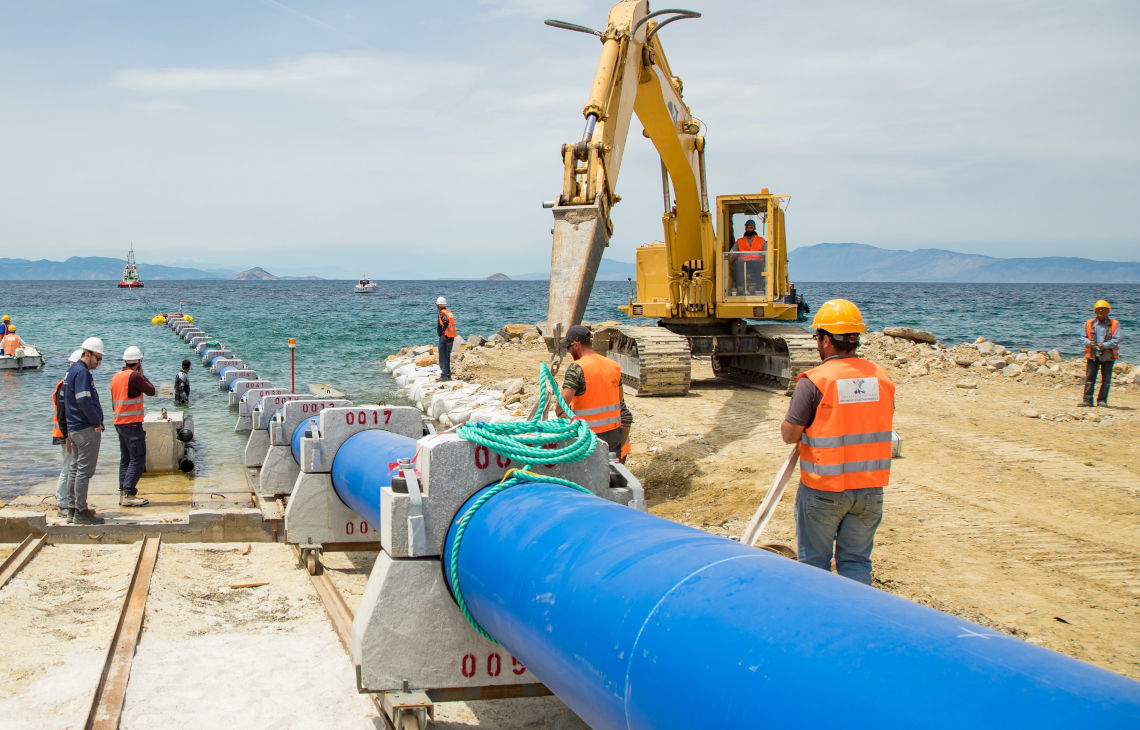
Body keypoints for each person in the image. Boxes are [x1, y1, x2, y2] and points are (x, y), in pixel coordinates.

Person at [780, 299, 894, 586]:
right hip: (870, 489)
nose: (817, 342)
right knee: (856, 561)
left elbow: (790, 434)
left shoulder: (817, 380)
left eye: (818, 336)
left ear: (827, 340)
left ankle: (819, 623)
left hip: (824, 490)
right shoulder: (881, 377)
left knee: (815, 567)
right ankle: (859, 620)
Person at [557, 325, 633, 462]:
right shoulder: (613, 365)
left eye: (568, 347)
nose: (568, 351)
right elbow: (620, 401)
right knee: (612, 475)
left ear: (576, 345)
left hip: (589, 436)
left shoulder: (577, 367)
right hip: (614, 434)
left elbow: (560, 408)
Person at [62, 337, 107, 525]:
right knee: (84, 472)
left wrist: (67, 429)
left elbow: (64, 402)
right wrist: (96, 421)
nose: (99, 363)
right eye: (97, 358)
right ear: (87, 354)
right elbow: (83, 400)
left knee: (74, 469)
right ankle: (80, 511)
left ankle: (73, 510)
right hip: (85, 428)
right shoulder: (82, 373)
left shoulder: (71, 371)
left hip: (74, 427)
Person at [111, 346, 155, 507]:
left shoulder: (116, 376)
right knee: (138, 458)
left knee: (126, 459)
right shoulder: (135, 376)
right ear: (139, 362)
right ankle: (129, 493)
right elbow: (151, 391)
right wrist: (142, 375)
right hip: (132, 424)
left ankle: (123, 492)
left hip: (119, 423)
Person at [53, 349, 84, 519]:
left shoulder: (67, 383)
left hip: (66, 431)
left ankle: (69, 500)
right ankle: (63, 502)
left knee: (72, 466)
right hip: (65, 432)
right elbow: (61, 412)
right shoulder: (65, 385)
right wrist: (66, 436)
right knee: (68, 467)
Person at [1081, 299, 1122, 407]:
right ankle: (1087, 400)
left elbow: (1116, 339)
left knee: (1106, 380)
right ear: (1095, 311)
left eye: (1103, 310)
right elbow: (1083, 337)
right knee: (1090, 378)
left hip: (1108, 355)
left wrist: (1104, 345)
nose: (1101, 312)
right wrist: (1090, 343)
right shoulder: (1089, 323)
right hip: (1093, 355)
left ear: (1108, 311)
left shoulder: (1114, 324)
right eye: (1098, 309)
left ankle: (1102, 401)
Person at [730, 218, 766, 295]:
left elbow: (766, 253)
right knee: (737, 263)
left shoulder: (761, 240)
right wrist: (730, 260)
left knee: (760, 264)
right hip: (743, 263)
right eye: (747, 227)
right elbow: (733, 253)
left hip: (757, 263)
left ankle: (759, 285)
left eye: (751, 227)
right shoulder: (739, 241)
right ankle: (740, 286)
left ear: (754, 228)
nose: (749, 229)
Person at [436, 296, 458, 381]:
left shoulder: (442, 313)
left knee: (443, 356)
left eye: (437, 305)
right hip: (451, 337)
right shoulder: (449, 312)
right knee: (447, 356)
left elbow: (445, 321)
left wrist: (442, 331)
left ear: (439, 305)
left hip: (445, 336)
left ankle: (444, 375)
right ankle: (448, 375)